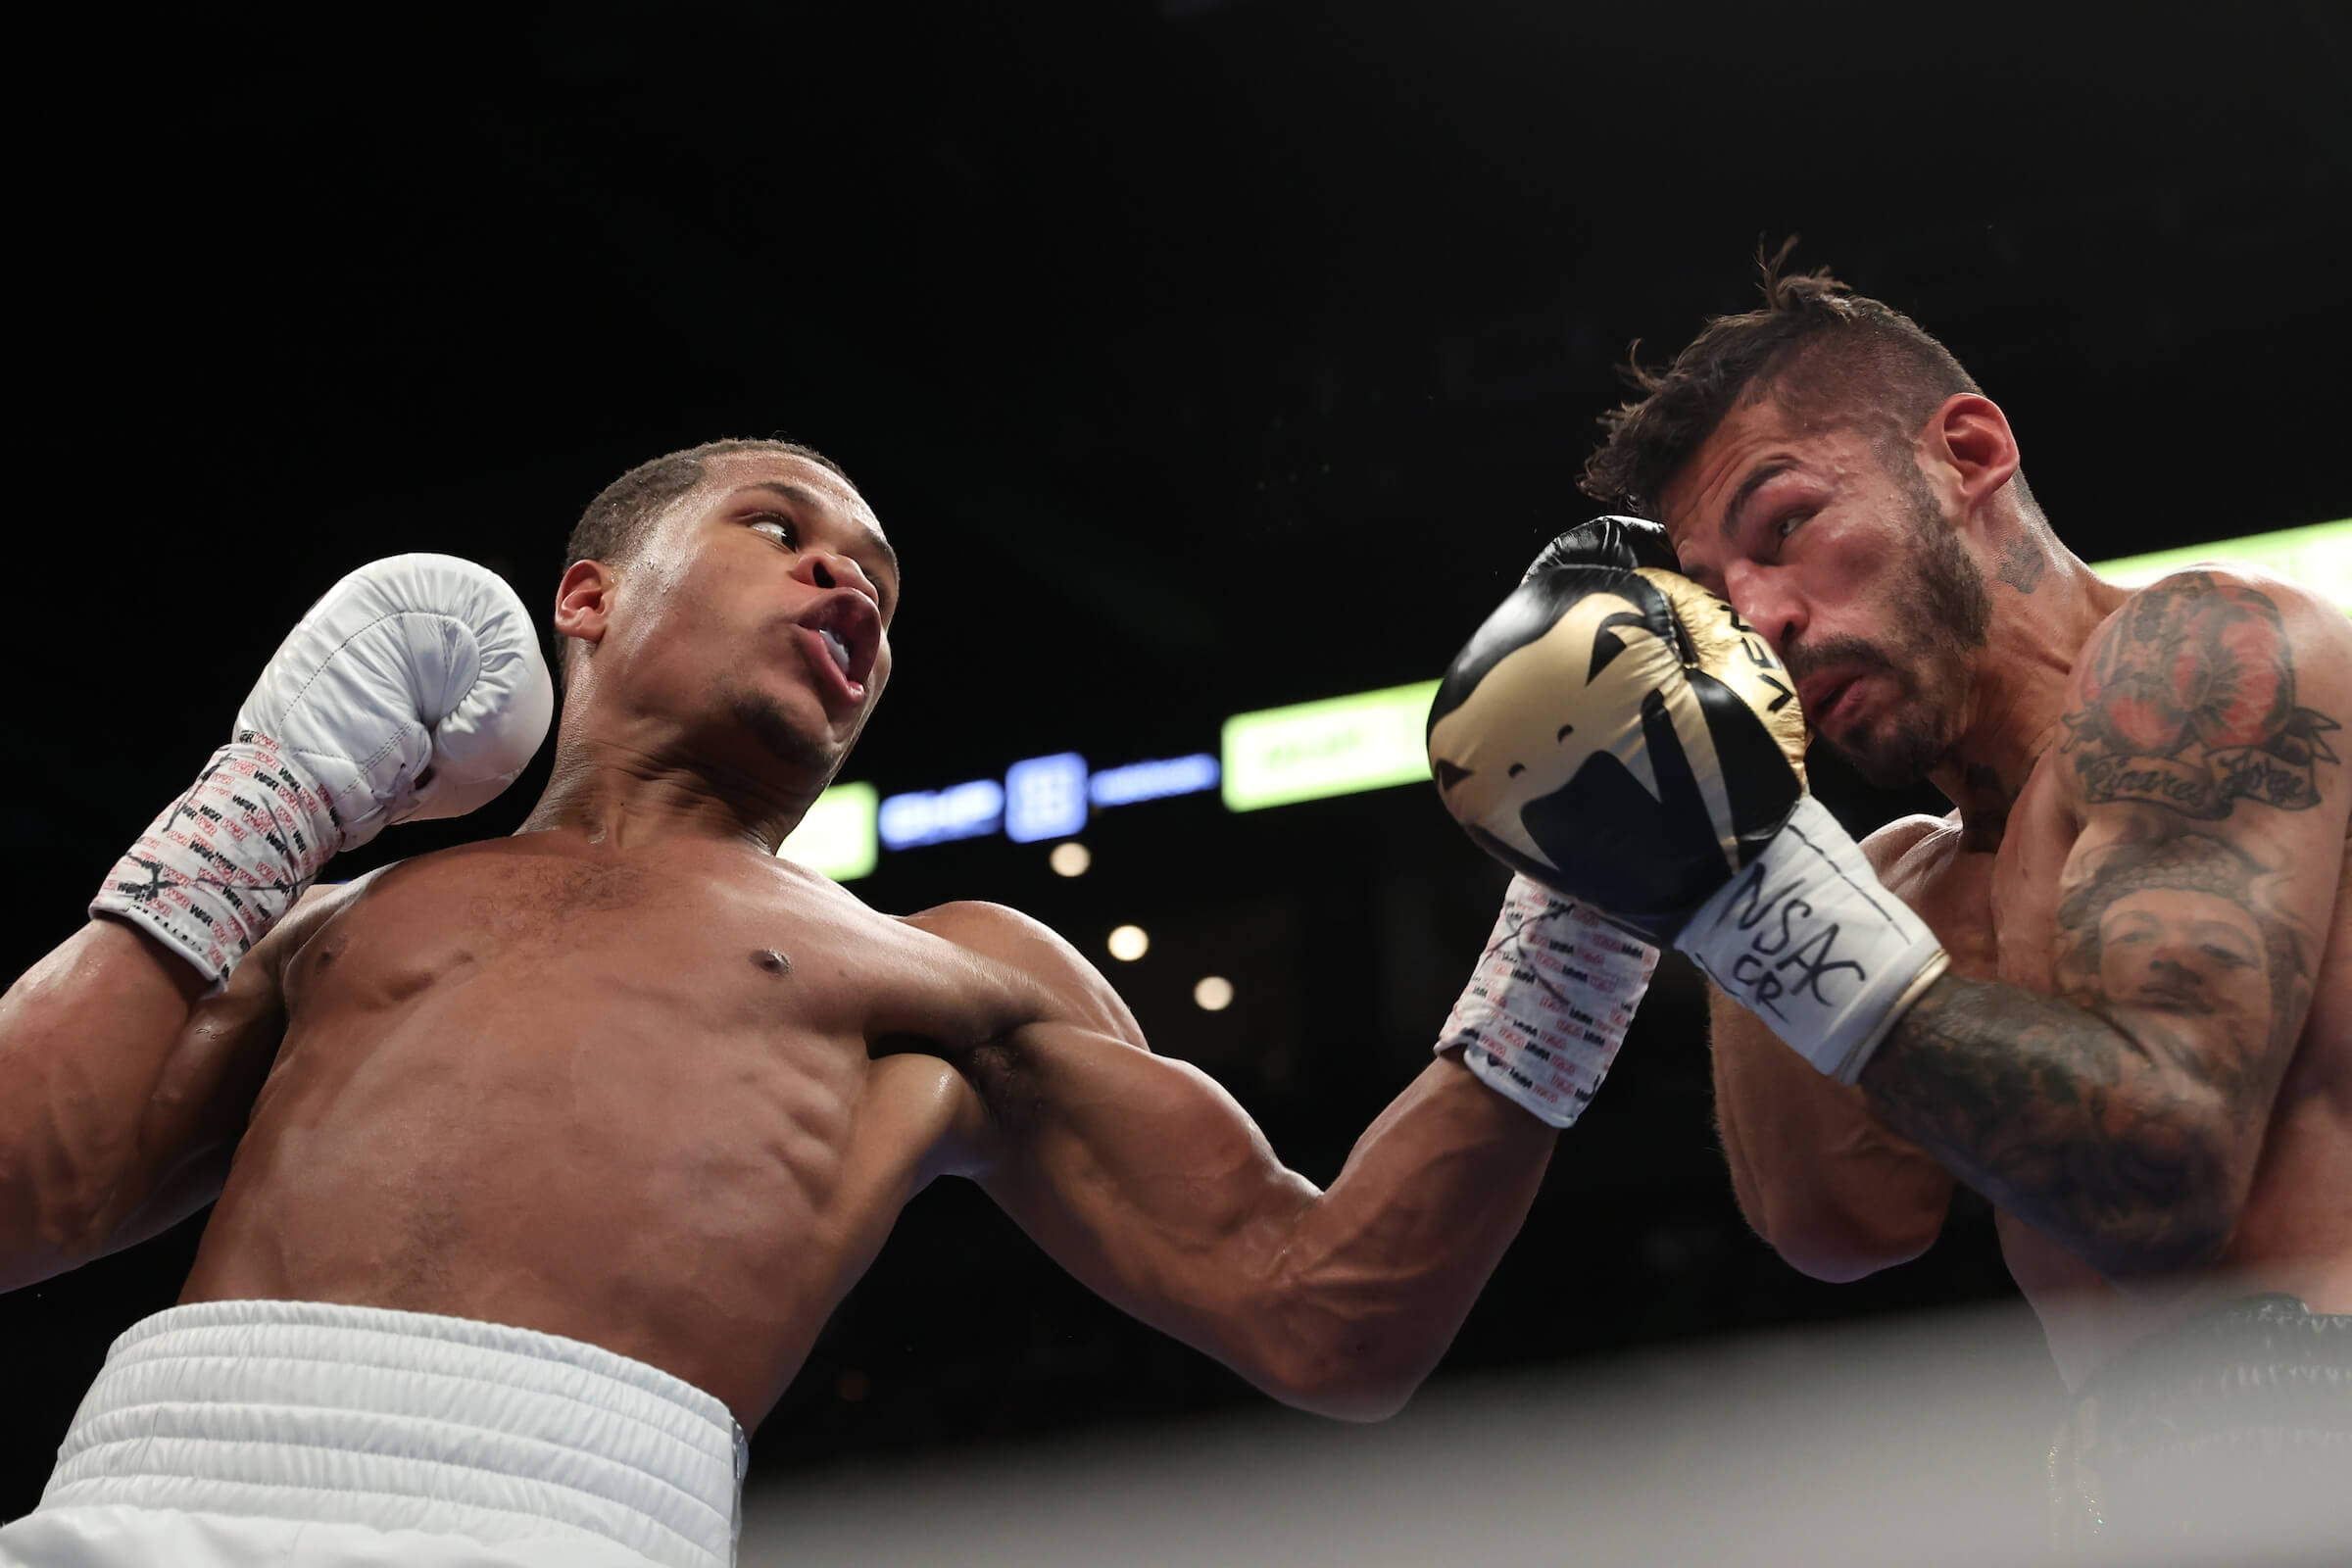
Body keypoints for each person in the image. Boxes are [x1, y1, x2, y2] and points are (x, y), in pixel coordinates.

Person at [0, 439, 1655, 1568]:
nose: (847, 583)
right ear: (588, 597)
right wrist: (263, 798)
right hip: (140, 1498)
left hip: (559, 1513)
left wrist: (1585, 920)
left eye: (877, 579)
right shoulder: (341, 920)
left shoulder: (950, 975)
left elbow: (1330, 1311)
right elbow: (28, 1193)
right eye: (780, 530)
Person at [1426, 254, 2350, 1550]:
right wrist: (1736, 853)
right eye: (1714, 602)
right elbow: (1837, 1227)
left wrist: (1759, 907)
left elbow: (2166, 1162)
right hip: (2121, 1494)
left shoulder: (2201, 659)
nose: (1762, 620)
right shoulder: (1886, 883)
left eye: (1784, 526)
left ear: (1964, 453)